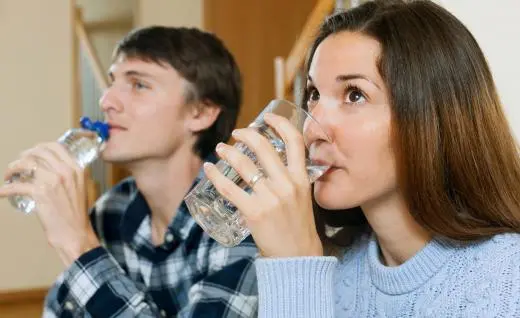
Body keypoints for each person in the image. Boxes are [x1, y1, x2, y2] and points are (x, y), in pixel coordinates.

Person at [203, 0, 520, 317]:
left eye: (354, 94)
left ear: (432, 118)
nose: (315, 128)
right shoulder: (333, 269)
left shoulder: (507, 280)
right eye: (314, 94)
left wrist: (295, 269)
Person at [0, 26, 258, 317]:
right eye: (113, 82)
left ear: (201, 113)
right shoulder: (112, 209)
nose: (106, 101)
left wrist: (77, 243)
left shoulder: (242, 214)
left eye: (139, 85)